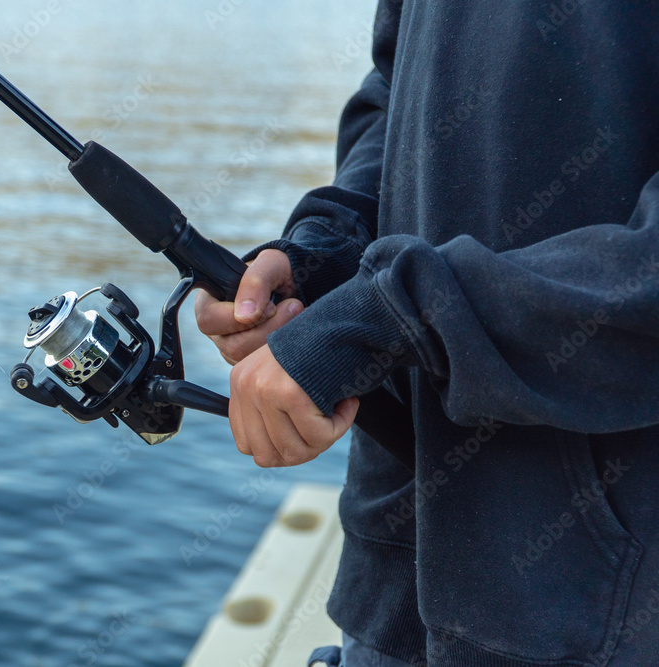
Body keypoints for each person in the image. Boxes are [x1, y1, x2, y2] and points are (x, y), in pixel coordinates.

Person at [194, 2, 659, 665]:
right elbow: (397, 87)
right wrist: (319, 259)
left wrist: (387, 317)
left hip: (589, 614)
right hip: (386, 586)